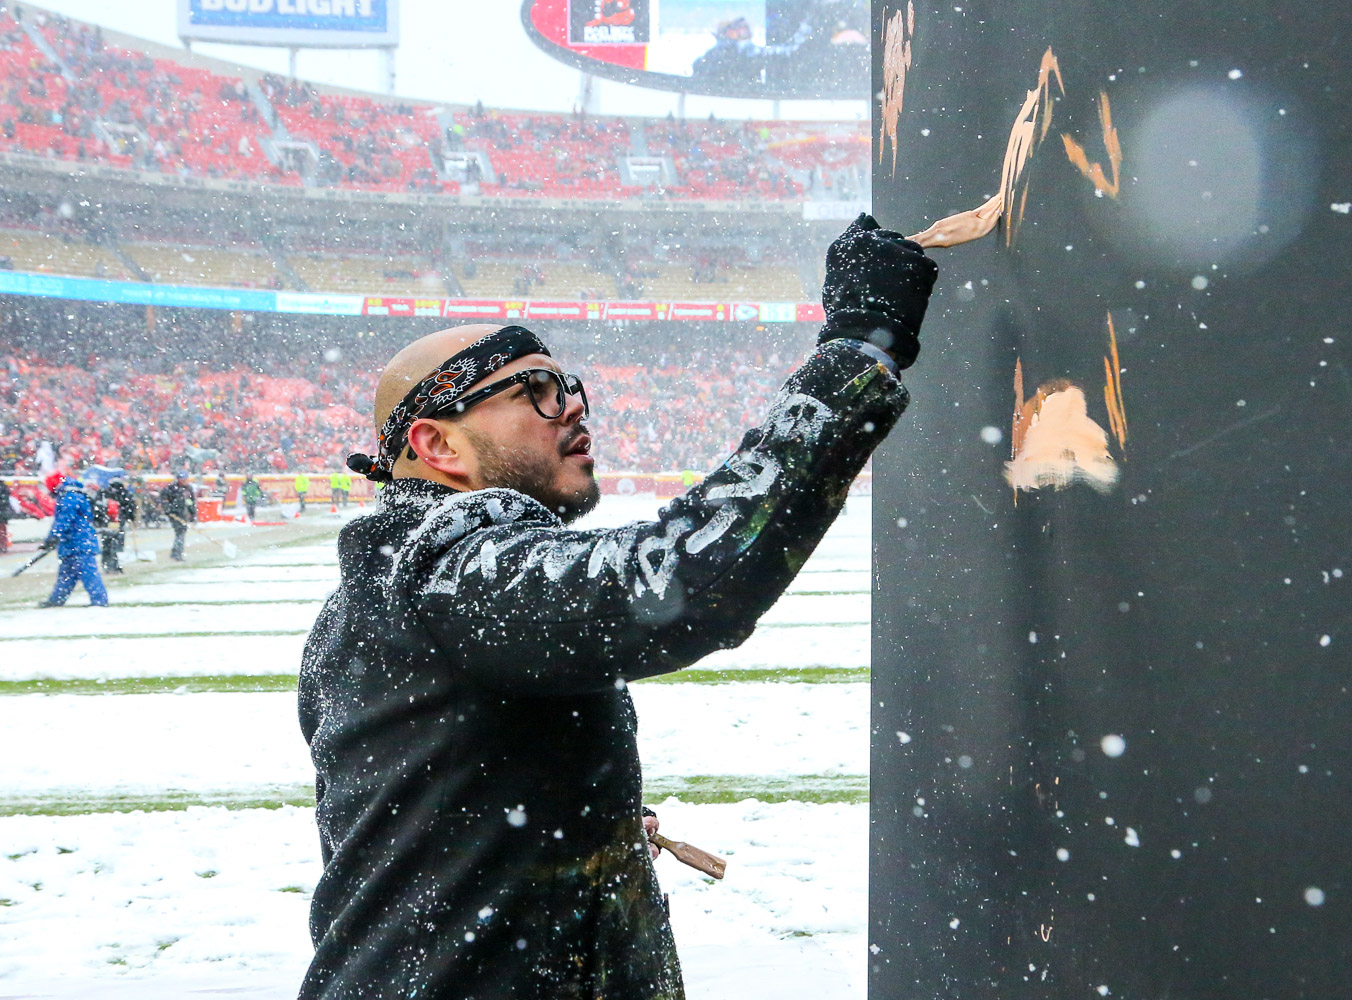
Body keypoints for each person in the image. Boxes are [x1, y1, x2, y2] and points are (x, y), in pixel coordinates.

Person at [297, 215, 937, 1000]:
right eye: (534, 389)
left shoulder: (379, 593)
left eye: (570, 386)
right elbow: (685, 578)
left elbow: (423, 818)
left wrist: (574, 833)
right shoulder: (444, 568)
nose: (573, 408)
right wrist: (859, 351)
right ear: (439, 447)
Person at [39, 471, 108, 607]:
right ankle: (57, 599)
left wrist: (53, 536)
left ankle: (99, 601)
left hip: (78, 541)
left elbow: (64, 519)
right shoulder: (74, 494)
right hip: (75, 542)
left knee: (88, 574)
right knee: (66, 574)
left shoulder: (69, 497)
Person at [159, 469, 196, 562]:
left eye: (185, 479)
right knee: (180, 533)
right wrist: (168, 510)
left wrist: (193, 514)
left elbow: (191, 502)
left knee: (181, 533)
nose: (184, 481)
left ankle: (175, 553)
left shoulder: (188, 489)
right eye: (182, 479)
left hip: (183, 514)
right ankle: (177, 554)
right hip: (174, 514)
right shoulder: (171, 489)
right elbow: (164, 500)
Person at [0, 476, 10, 554]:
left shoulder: (2, 485)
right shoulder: (3, 485)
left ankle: (3, 545)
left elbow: (5, 499)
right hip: (2, 510)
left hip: (1, 511)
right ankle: (3, 545)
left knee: (2, 529)